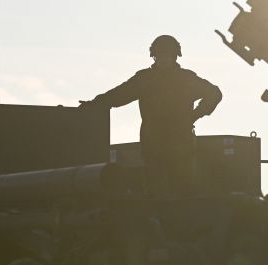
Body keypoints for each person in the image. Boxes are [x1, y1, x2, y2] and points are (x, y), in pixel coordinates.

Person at [82, 35, 222, 195]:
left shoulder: (186, 79)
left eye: (167, 55)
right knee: (156, 191)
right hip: (154, 145)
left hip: (181, 145)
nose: (163, 59)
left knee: (183, 190)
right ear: (154, 56)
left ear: (174, 56)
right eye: (159, 55)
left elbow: (214, 93)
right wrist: (95, 104)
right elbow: (118, 95)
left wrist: (195, 115)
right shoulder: (145, 80)